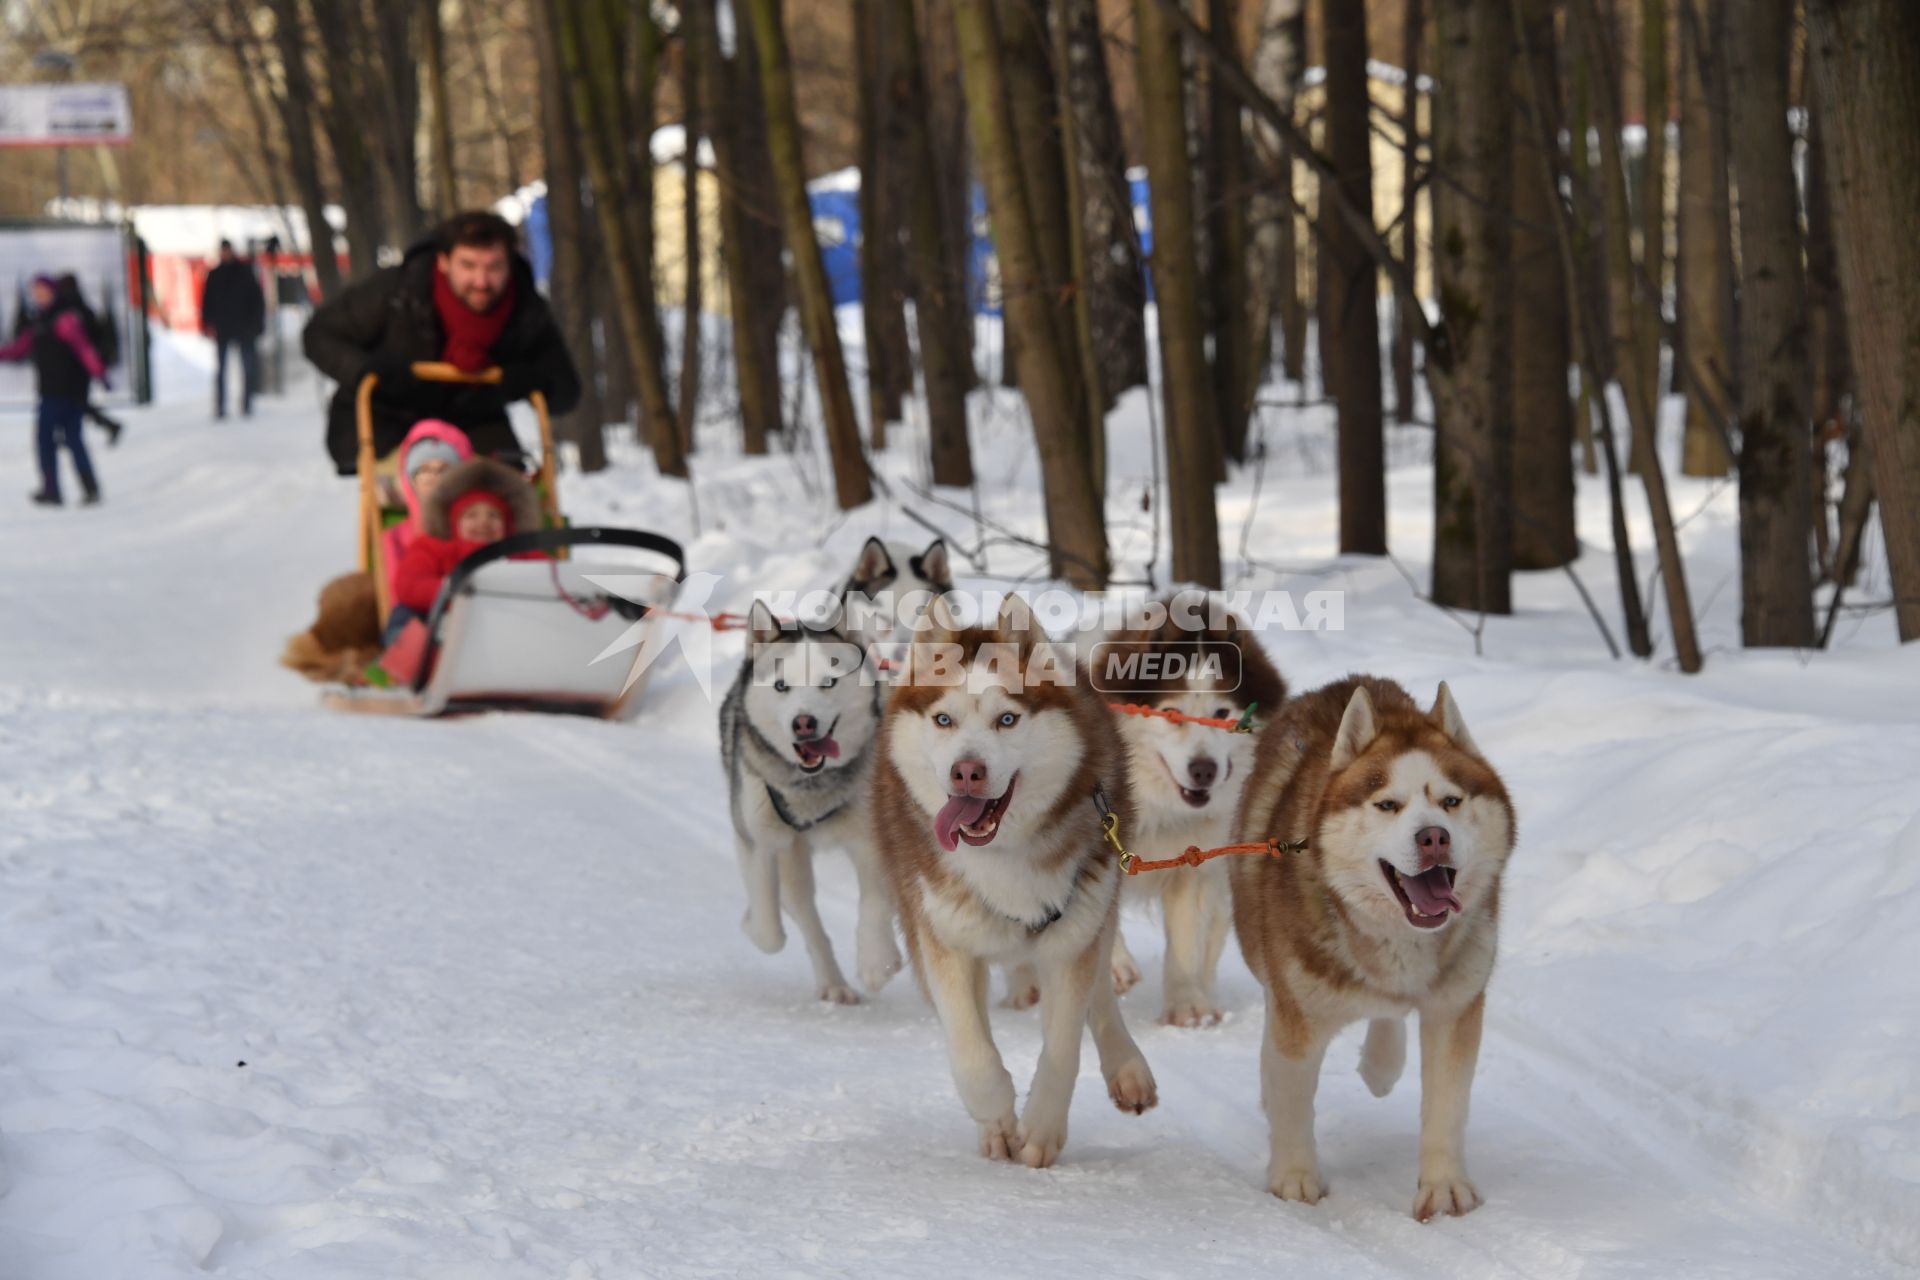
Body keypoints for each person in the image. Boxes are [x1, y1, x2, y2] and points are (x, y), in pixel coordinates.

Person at [302, 210, 581, 476]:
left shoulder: (525, 310)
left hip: (476, 420)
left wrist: (535, 381)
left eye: (494, 267)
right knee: (426, 482)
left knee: (505, 491)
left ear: (510, 263)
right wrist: (365, 368)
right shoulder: (399, 291)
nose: (481, 281)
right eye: (469, 266)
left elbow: (566, 389)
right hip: (388, 418)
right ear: (443, 262)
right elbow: (320, 334)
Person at [385, 455, 546, 645]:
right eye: (471, 515)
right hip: (444, 630)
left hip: (509, 628)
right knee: (405, 615)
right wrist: (455, 592)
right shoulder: (433, 547)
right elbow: (409, 584)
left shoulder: (520, 554)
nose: (483, 522)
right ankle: (410, 664)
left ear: (507, 525)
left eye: (493, 515)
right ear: (454, 522)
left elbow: (551, 577)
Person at [0, 274, 108, 507]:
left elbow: (84, 349)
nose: (38, 296)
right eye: (35, 292)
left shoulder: (64, 319)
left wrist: (99, 373)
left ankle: (78, 489)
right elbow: (19, 349)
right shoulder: (39, 322)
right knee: (53, 441)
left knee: (64, 441)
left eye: (42, 291)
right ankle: (60, 489)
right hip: (50, 391)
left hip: (66, 392)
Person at [379, 419, 473, 602]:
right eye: (424, 471)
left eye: (444, 470)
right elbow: (395, 597)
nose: (434, 478)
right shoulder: (397, 537)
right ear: (410, 481)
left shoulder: (477, 525)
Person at [200, 240, 266, 419]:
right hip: (224, 328)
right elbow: (207, 302)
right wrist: (207, 324)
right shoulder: (215, 275)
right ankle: (221, 406)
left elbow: (257, 300)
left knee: (248, 367)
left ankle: (246, 404)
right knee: (221, 369)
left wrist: (257, 324)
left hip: (244, 327)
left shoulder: (245, 272)